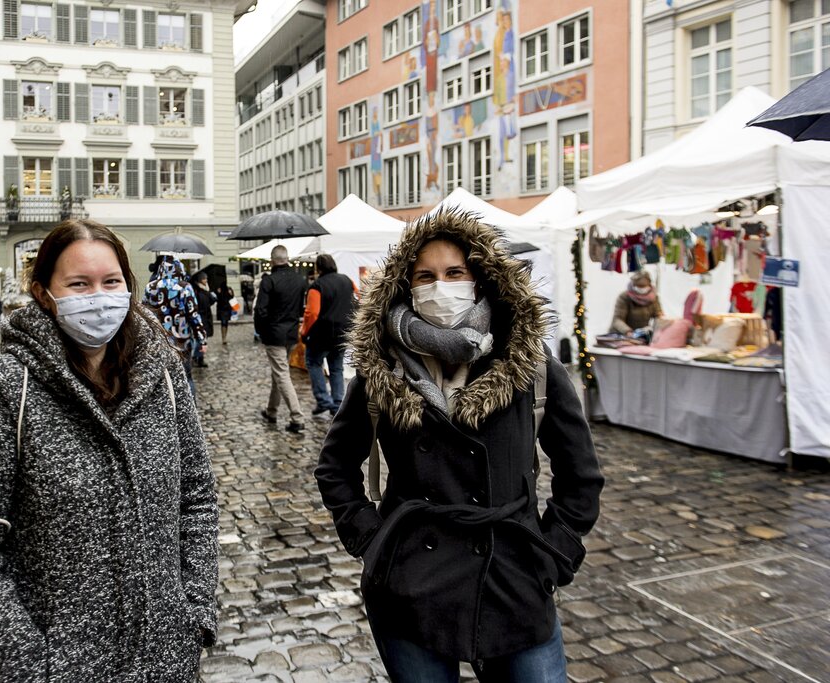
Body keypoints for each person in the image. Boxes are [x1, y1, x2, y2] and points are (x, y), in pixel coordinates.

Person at [314, 209, 604, 683]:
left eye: (454, 273)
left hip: (515, 579)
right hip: (411, 583)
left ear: (480, 278)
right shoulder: (382, 368)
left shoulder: (528, 361)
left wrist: (555, 552)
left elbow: (581, 472)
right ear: (407, 286)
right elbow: (335, 466)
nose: (440, 286)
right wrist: (372, 541)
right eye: (425, 276)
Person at [0, 220, 218, 682]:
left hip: (164, 661)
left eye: (111, 282)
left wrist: (196, 611)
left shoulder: (163, 374)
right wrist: (27, 668)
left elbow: (197, 499)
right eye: (79, 284)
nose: (99, 297)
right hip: (57, 666)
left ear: (129, 286)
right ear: (45, 293)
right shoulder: (7, 387)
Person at [255, 244, 307, 433]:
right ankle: (271, 411)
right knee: (278, 373)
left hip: (274, 334)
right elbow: (302, 307)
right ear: (287, 258)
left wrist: (260, 330)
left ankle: (297, 417)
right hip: (291, 333)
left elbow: (260, 310)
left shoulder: (269, 281)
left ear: (272, 260)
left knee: (282, 375)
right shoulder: (300, 279)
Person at [301, 254, 357, 419]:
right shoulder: (347, 280)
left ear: (318, 268)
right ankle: (338, 403)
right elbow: (357, 300)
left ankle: (324, 400)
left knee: (313, 363)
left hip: (321, 335)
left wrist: (304, 332)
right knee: (336, 368)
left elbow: (312, 313)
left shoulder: (316, 286)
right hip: (343, 333)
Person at [143, 255, 208, 396]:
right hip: (182, 342)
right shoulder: (185, 288)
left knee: (163, 380)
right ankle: (189, 411)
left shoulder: (150, 287)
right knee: (186, 378)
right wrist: (202, 339)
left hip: (159, 341)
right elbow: (193, 315)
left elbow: (144, 314)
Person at [609, 270, 663, 336]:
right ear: (634, 286)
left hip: (642, 334)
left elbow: (658, 315)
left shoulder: (653, 298)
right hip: (620, 334)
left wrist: (662, 321)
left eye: (644, 287)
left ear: (649, 286)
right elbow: (617, 320)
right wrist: (628, 331)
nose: (642, 289)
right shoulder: (624, 297)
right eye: (639, 287)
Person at [190, 271, 215, 367]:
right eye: (204, 278)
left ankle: (200, 358)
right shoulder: (196, 290)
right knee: (200, 339)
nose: (206, 280)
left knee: (204, 339)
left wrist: (209, 292)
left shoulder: (205, 289)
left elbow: (211, 301)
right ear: (200, 280)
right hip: (200, 318)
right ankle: (197, 357)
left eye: (206, 279)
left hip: (206, 317)